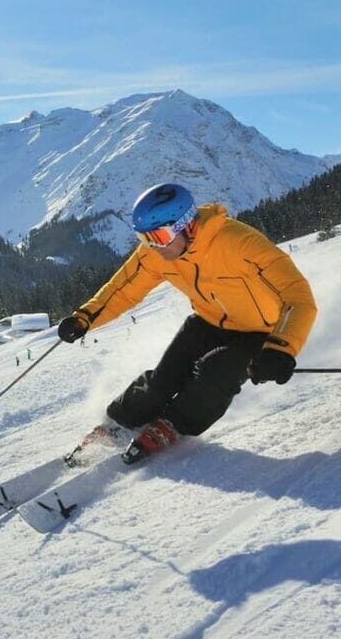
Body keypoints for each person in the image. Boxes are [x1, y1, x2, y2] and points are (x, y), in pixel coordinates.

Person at [57, 182, 317, 463]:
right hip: (207, 321)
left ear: (187, 225)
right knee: (163, 379)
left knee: (215, 373)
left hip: (260, 332)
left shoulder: (240, 243)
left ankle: (174, 424)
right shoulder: (158, 252)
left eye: (158, 235)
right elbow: (123, 288)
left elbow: (298, 296)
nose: (153, 246)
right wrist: (85, 318)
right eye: (144, 238)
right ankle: (121, 422)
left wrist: (281, 348)